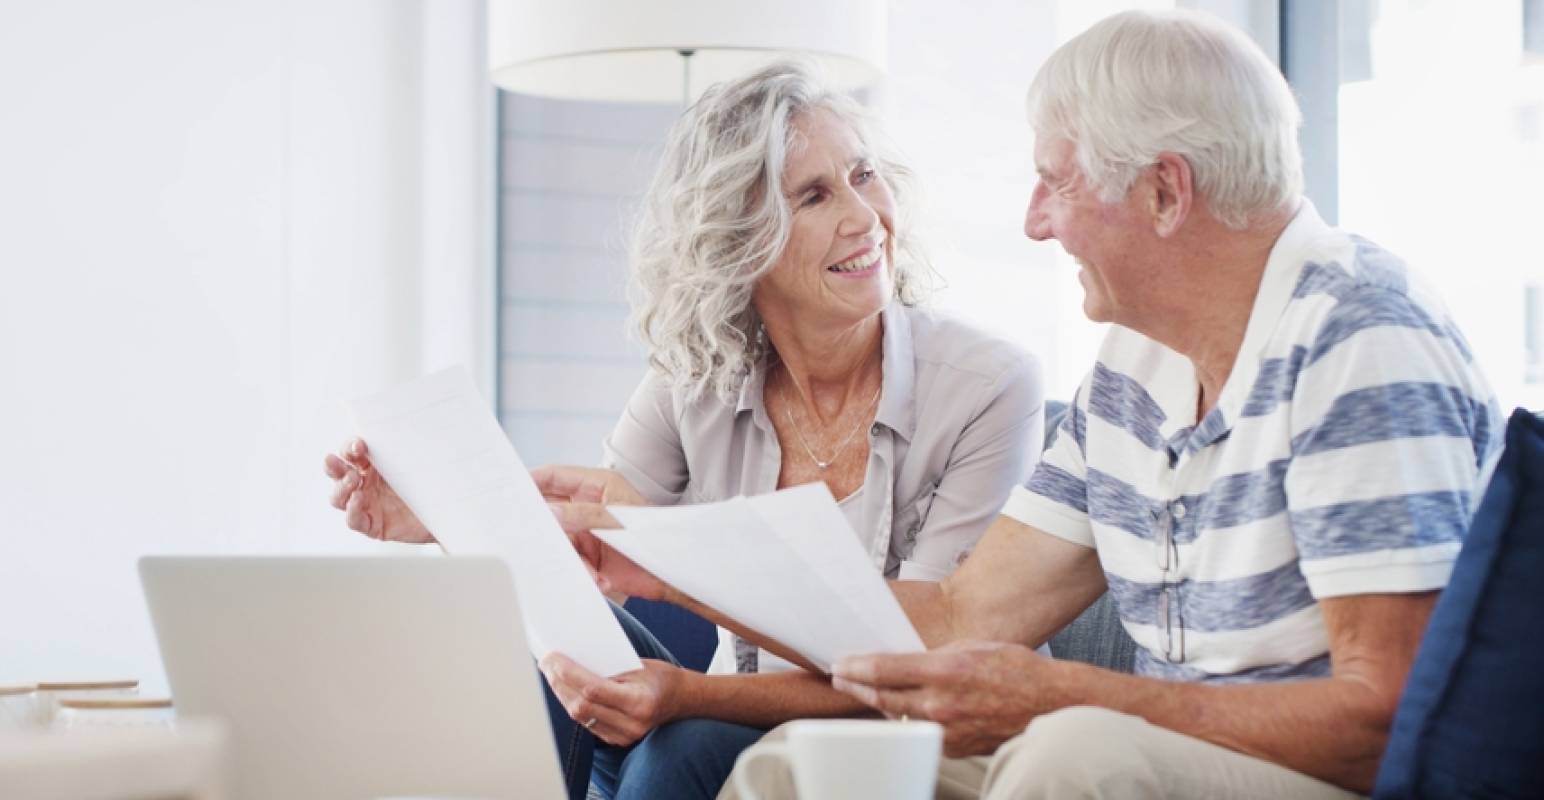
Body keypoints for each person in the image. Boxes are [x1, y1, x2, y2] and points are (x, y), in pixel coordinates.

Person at [557, 10, 1503, 799]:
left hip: (1337, 778)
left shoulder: (1359, 336)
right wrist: (664, 568)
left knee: (1071, 752)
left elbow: (1387, 717)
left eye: (1056, 181)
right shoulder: (1134, 369)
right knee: (799, 770)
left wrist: (1063, 698)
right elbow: (959, 616)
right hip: (1176, 754)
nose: (1034, 220)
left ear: (1165, 191)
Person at [323, 60, 1044, 800]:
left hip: (896, 735)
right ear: (740, 241)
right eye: (814, 196)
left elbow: (922, 662)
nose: (864, 217)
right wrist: (440, 516)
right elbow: (584, 562)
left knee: (683, 750)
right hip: (718, 719)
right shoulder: (695, 379)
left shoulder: (988, 387)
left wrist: (689, 695)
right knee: (550, 661)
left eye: (863, 175)